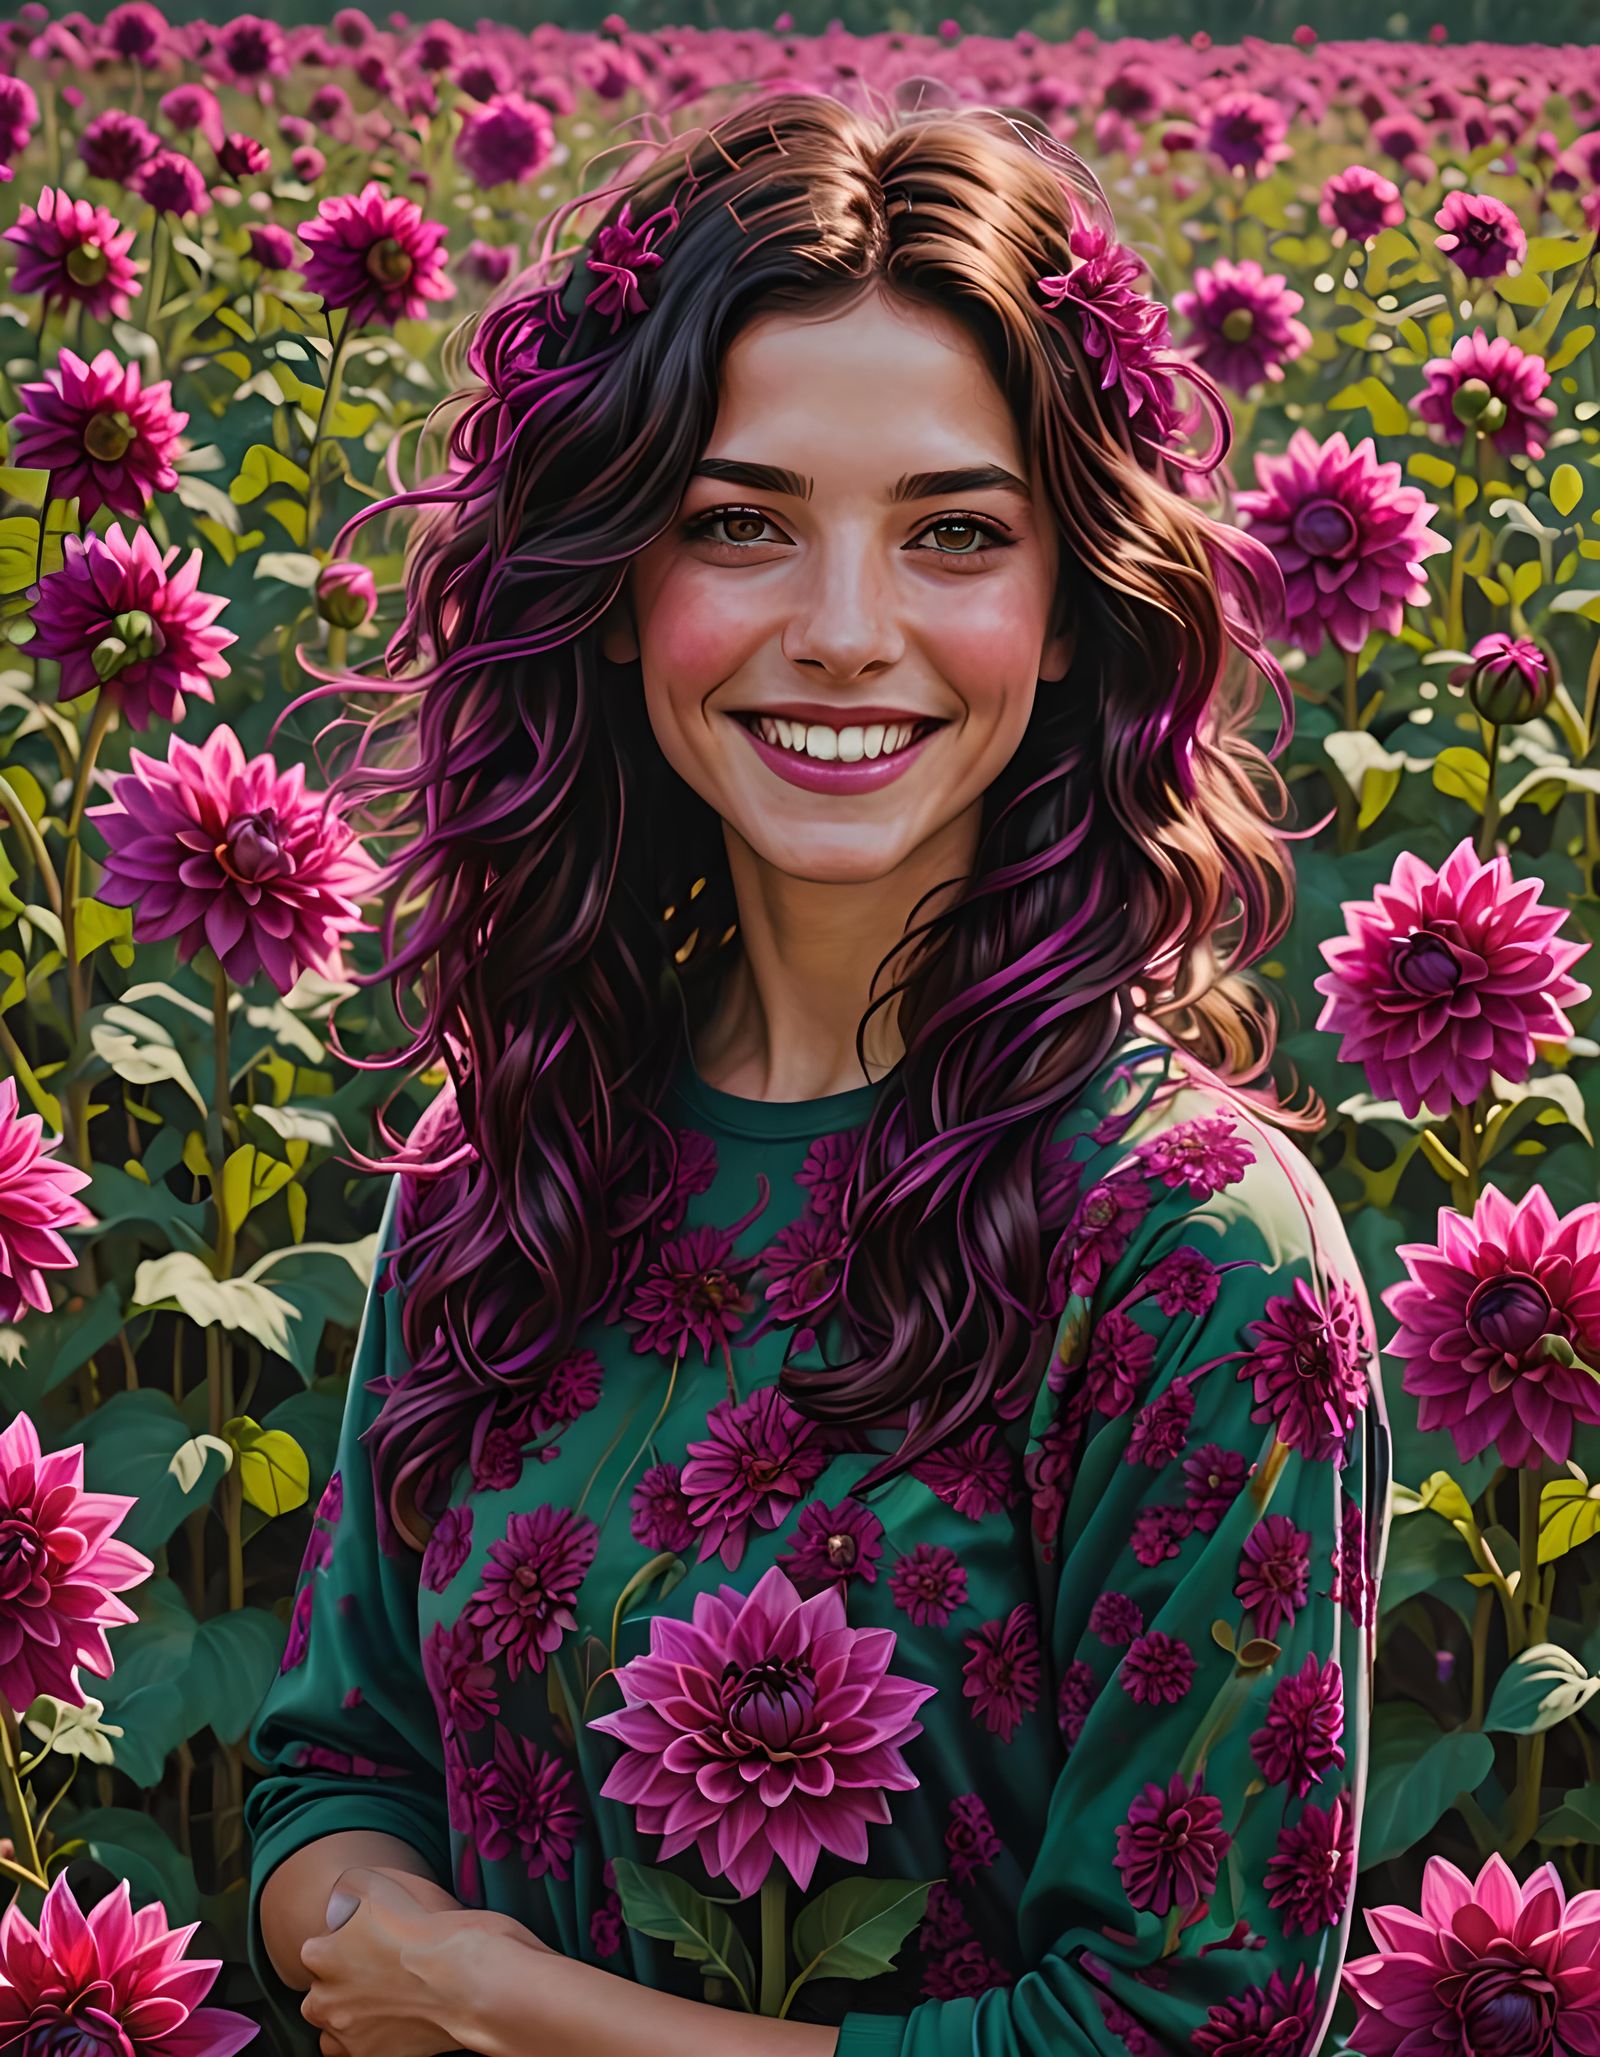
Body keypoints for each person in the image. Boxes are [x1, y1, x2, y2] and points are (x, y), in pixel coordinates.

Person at [245, 88, 1392, 2057]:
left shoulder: (1189, 1252)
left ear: (1070, 606)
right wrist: (389, 1929)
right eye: (739, 524)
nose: (846, 633)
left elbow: (1178, 2026)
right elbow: (328, 1772)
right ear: (613, 589)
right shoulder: (504, 1154)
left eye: (955, 533)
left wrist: (505, 2004)